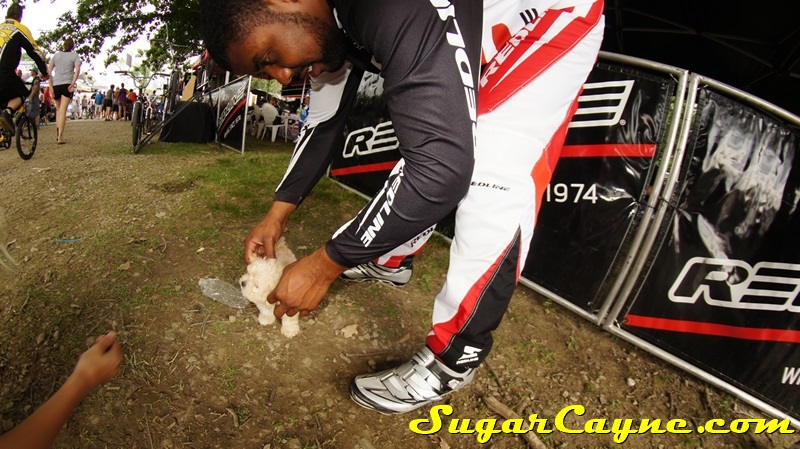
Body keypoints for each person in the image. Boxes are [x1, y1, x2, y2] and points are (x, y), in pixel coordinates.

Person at [201, 0, 604, 414]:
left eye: (268, 58)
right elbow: (323, 123)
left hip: (546, 17)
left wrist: (325, 265)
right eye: (265, 73)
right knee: (428, 150)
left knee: (489, 172)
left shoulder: (385, 7)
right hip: (472, 34)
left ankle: (453, 357)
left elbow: (440, 173)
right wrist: (277, 215)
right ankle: (390, 261)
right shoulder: (319, 24)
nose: (283, 76)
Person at [0, 2, 49, 135]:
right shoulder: (20, 29)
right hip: (5, 73)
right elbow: (35, 52)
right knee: (21, 94)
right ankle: (8, 113)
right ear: (20, 17)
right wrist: (44, 71)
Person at [47, 36, 81, 144]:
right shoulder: (74, 56)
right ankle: (60, 137)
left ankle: (58, 133)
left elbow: (48, 72)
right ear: (72, 46)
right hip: (67, 84)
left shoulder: (56, 56)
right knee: (62, 111)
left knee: (58, 110)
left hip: (56, 84)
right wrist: (73, 83)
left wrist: (50, 86)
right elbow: (77, 70)